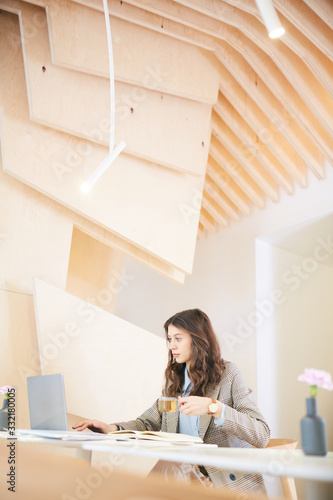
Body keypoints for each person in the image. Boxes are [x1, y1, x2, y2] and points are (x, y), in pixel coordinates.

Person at [73, 309, 270, 496]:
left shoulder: (227, 375)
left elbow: (262, 434)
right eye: (169, 339)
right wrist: (112, 428)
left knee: (170, 464)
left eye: (178, 339)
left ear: (198, 339)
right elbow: (147, 423)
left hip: (219, 482)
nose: (171, 346)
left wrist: (214, 407)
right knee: (172, 463)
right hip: (183, 478)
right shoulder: (175, 380)